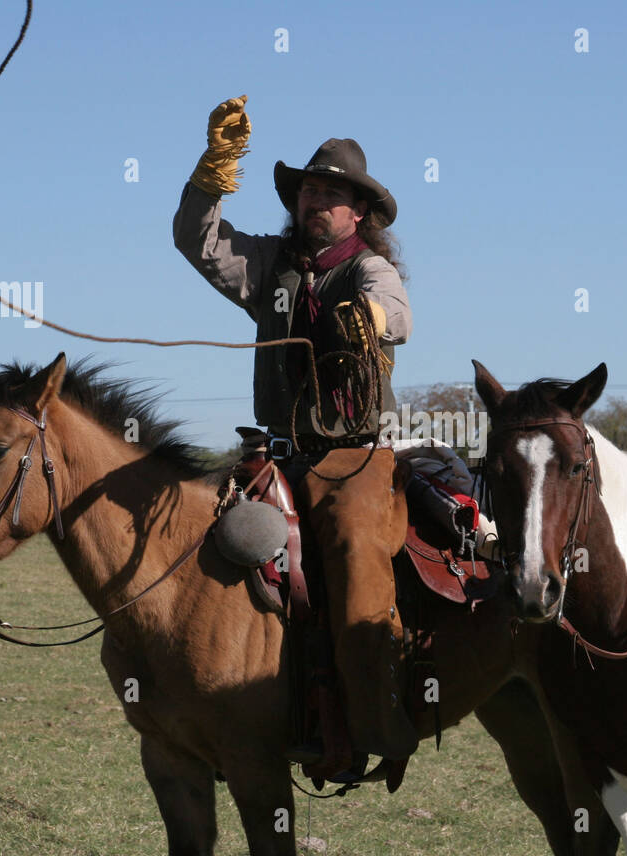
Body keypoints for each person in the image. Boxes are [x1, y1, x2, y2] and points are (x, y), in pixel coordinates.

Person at [173, 95, 419, 762]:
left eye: (330, 194)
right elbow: (198, 243)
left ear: (357, 211)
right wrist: (212, 170)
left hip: (356, 456)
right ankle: (224, 710)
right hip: (273, 452)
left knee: (351, 553)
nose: (315, 203)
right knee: (194, 541)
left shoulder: (368, 265)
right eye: (309, 190)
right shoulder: (270, 264)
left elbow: (397, 310)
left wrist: (369, 316)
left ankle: (373, 725)